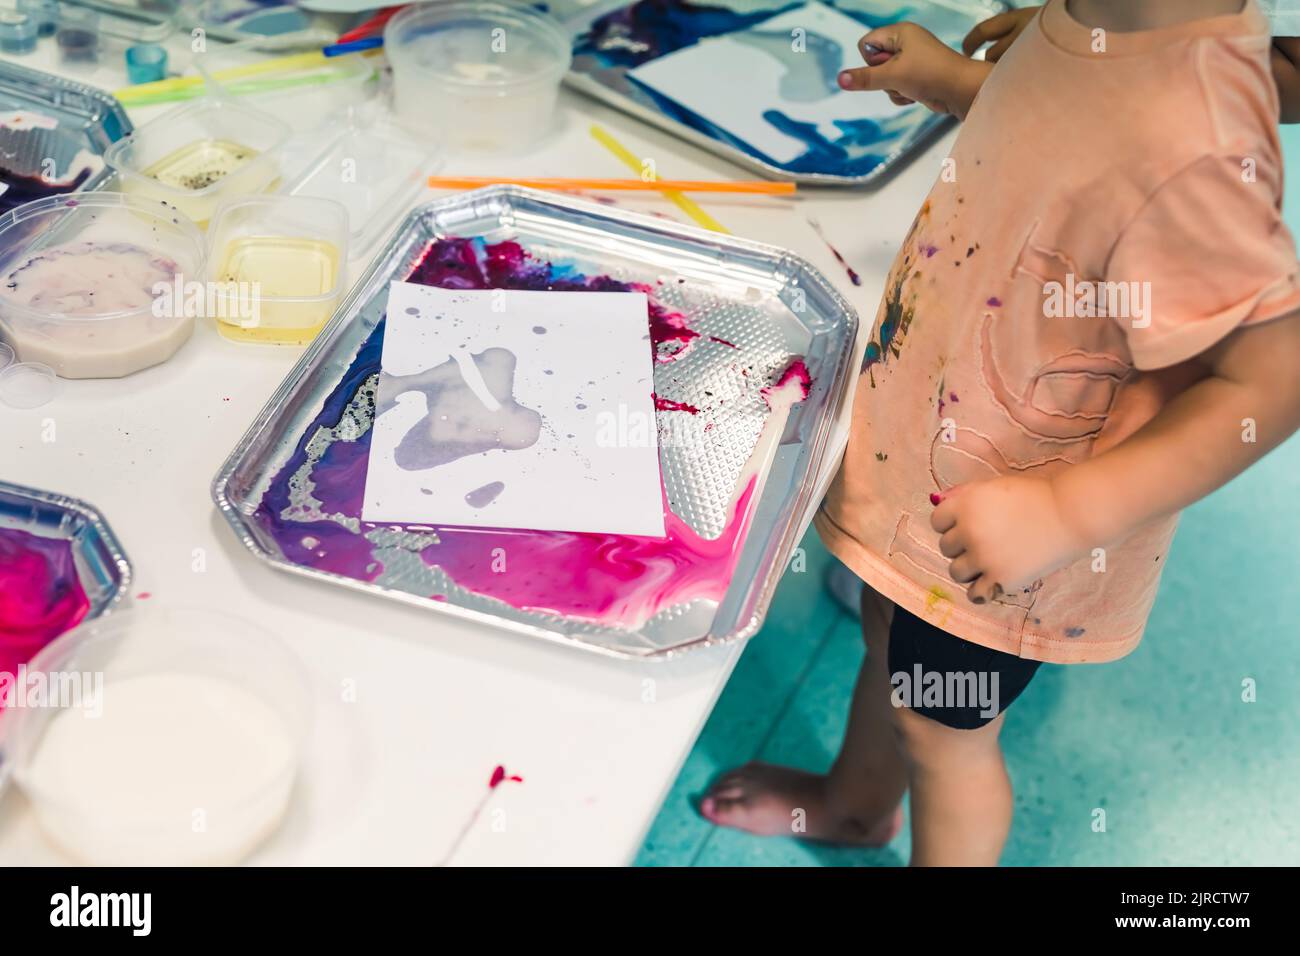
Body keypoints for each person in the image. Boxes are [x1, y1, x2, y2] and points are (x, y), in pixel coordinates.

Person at [700, 0, 1300, 866]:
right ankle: (860, 804)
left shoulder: (1198, 137)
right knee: (887, 632)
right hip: (938, 455)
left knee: (944, 736)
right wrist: (960, 84)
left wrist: (1068, 511)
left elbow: (1274, 378)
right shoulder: (1094, 17)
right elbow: (1076, 134)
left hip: (1018, 513)